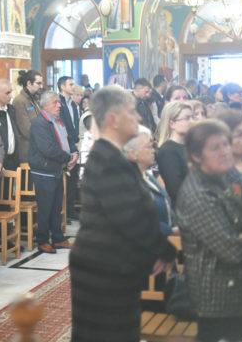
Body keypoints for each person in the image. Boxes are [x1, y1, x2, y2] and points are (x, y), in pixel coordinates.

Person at [70, 86, 176, 342]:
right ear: (113, 120)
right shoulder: (108, 159)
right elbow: (128, 216)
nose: (138, 117)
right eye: (131, 112)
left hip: (112, 264)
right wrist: (164, 249)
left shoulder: (113, 156)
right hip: (103, 268)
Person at [176, 120, 242, 342]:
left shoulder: (228, 175)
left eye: (226, 144)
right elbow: (232, 250)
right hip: (218, 298)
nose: (225, 151)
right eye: (216, 147)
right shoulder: (197, 193)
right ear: (197, 156)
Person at [29, 91, 77, 253]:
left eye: (59, 102)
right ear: (45, 105)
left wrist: (73, 152)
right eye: (55, 102)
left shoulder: (56, 120)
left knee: (56, 207)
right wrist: (68, 157)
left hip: (56, 169)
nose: (59, 105)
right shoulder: (40, 123)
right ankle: (43, 240)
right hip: (44, 172)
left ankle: (58, 238)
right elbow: (48, 149)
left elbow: (67, 139)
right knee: (45, 208)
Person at [124, 125, 178, 236]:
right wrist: (171, 231)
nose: (153, 151)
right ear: (132, 154)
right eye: (148, 147)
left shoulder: (146, 175)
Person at [156, 101, 193, 205]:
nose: (192, 121)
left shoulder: (190, 146)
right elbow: (176, 190)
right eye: (187, 118)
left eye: (192, 117)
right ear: (172, 123)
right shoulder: (168, 151)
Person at [57, 76, 80, 221]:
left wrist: (76, 143)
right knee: (63, 182)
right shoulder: (58, 102)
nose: (73, 86)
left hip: (74, 145)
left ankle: (70, 210)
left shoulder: (73, 104)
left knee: (72, 181)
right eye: (70, 84)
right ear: (62, 86)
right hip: (64, 144)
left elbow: (75, 124)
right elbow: (63, 125)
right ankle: (62, 212)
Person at [12, 70, 42, 164]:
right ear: (29, 83)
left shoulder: (35, 99)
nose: (41, 86)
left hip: (38, 149)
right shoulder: (19, 101)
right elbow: (26, 130)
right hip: (28, 152)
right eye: (38, 83)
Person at [0, 79, 18, 170]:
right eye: (7, 93)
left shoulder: (11, 109)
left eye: (11, 92)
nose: (11, 96)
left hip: (12, 161)